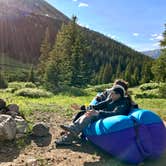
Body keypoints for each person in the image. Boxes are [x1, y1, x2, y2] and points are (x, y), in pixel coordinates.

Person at [55, 85, 133, 146]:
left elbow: (116, 114)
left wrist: (98, 113)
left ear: (118, 95)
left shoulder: (124, 102)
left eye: (112, 93)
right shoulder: (111, 100)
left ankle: (72, 130)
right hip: (105, 116)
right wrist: (81, 107)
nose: (110, 95)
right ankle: (68, 137)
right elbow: (97, 106)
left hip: (113, 120)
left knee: (90, 115)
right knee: (87, 113)